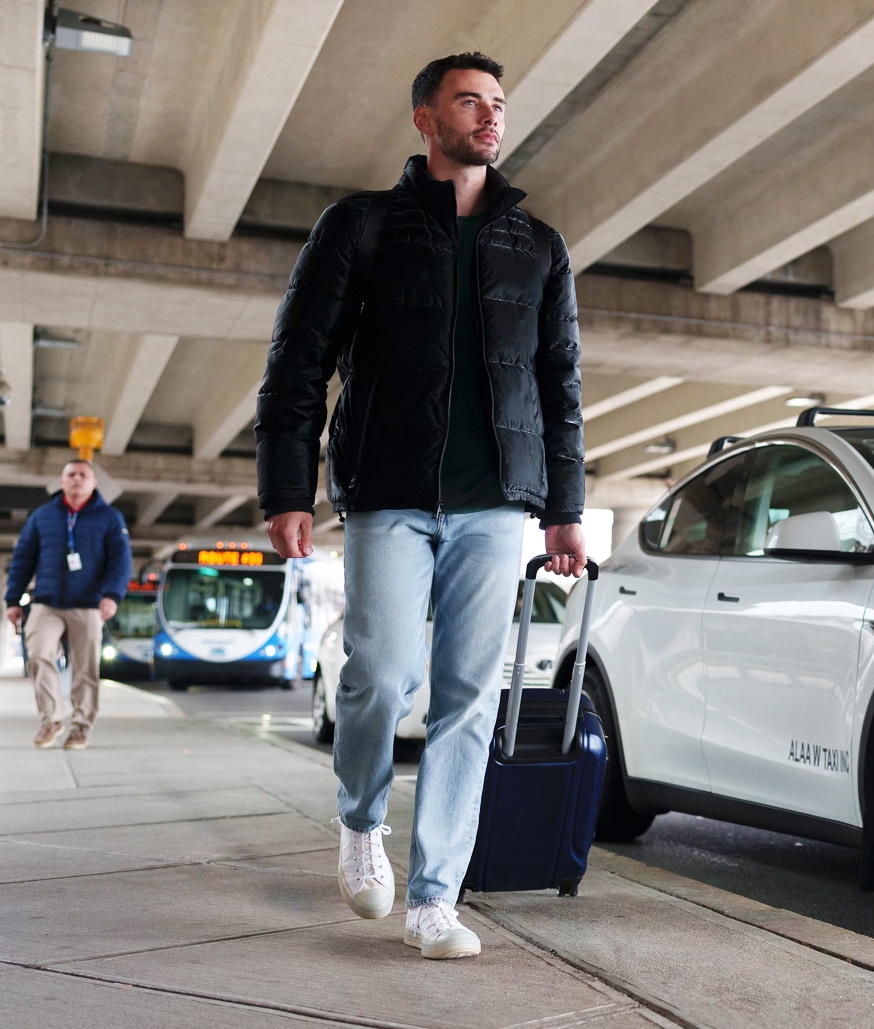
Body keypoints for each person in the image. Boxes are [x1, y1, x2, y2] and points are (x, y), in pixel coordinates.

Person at [255, 52, 585, 961]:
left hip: (494, 508)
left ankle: (437, 896)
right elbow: (298, 362)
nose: (488, 117)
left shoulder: (538, 246)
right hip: (388, 493)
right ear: (424, 119)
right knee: (380, 674)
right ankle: (361, 821)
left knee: (470, 700)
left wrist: (564, 507)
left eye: (498, 104)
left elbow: (561, 386)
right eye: (469, 101)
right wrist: (287, 486)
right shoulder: (359, 226)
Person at [5, 459, 131, 750]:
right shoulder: (42, 516)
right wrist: (13, 599)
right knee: (37, 655)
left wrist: (112, 596)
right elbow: (23, 559)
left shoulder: (110, 518)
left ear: (93, 482)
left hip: (89, 605)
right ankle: (52, 720)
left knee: (85, 668)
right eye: (71, 474)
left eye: (83, 475)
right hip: (46, 602)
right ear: (62, 482)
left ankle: (80, 728)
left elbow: (121, 562)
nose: (77, 479)